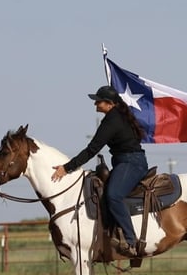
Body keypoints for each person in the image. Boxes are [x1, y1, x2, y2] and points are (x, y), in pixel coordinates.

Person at [51, 85, 149, 257]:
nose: (95, 104)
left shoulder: (112, 121)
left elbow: (92, 149)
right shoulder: (117, 116)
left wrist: (67, 168)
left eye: (98, 101)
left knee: (113, 195)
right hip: (125, 162)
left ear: (110, 104)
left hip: (131, 163)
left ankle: (131, 241)